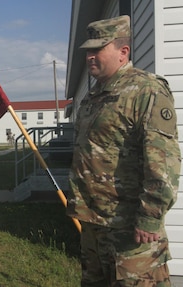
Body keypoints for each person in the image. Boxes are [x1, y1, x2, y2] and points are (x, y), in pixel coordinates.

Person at [66, 15, 181, 286]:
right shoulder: (94, 96)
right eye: (88, 51)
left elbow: (163, 160)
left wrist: (150, 217)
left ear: (123, 51)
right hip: (94, 221)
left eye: (98, 49)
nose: (90, 56)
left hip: (130, 227)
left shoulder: (146, 90)